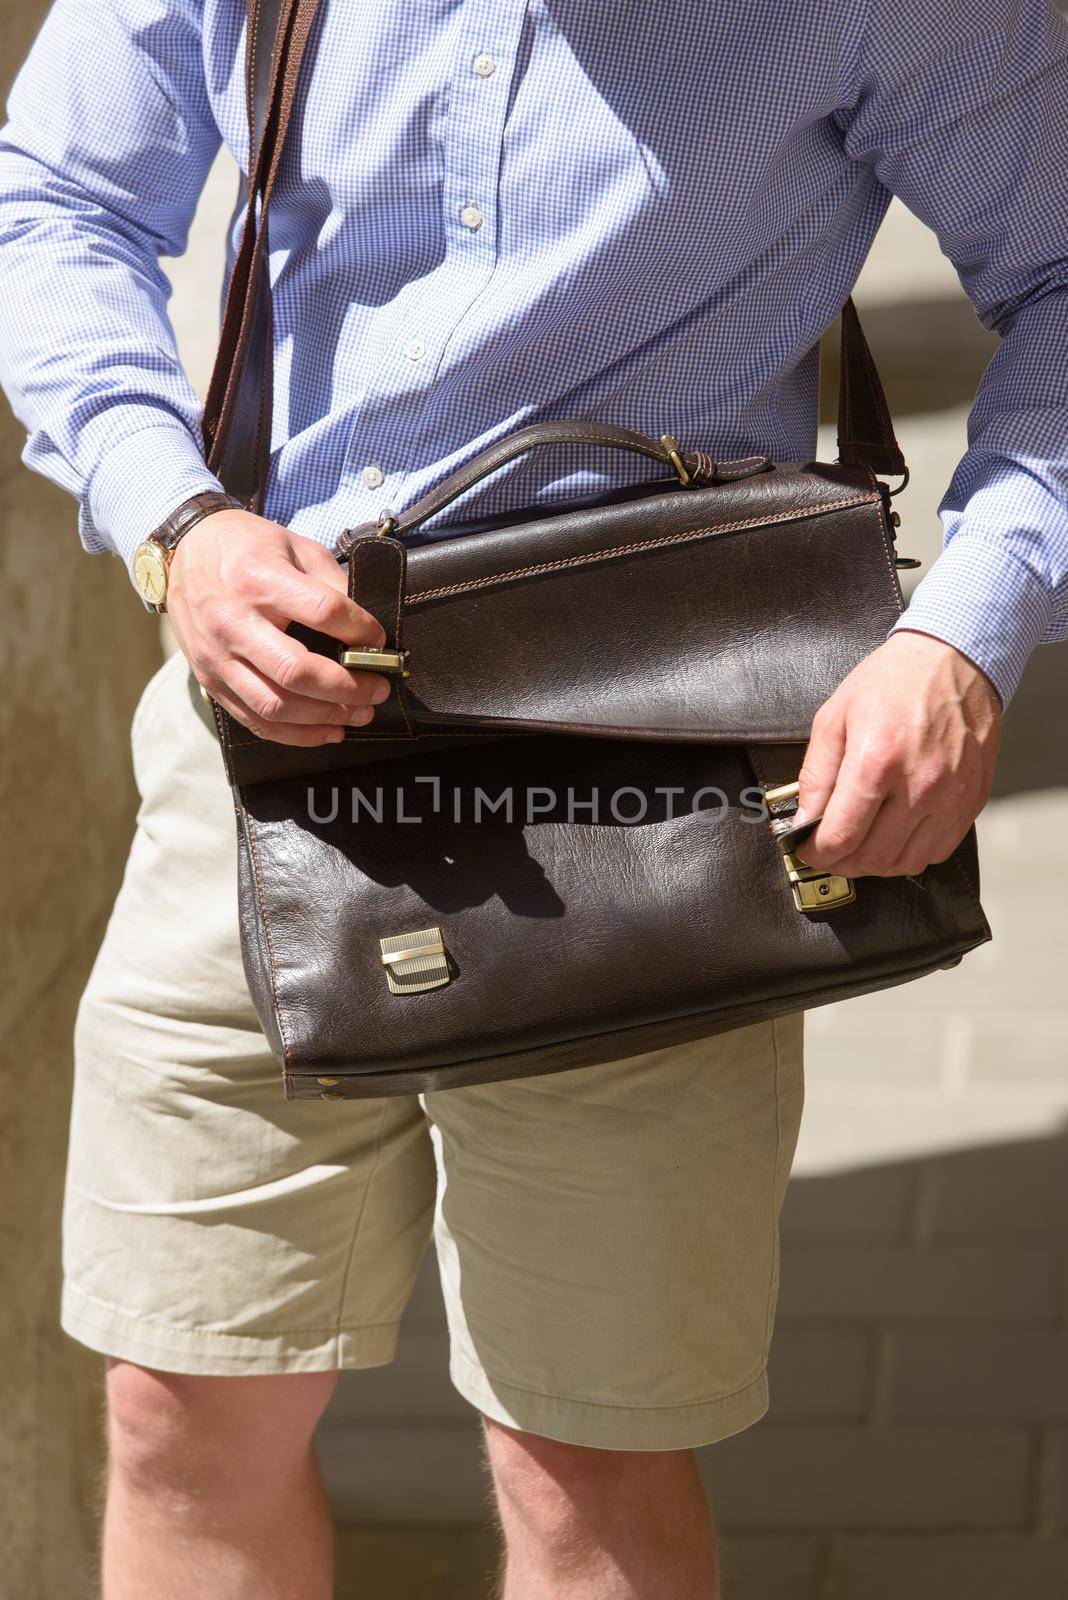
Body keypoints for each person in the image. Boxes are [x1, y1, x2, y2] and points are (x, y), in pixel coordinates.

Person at [1, 0, 1065, 1595]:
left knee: (584, 1456)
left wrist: (962, 636)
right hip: (263, 751)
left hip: (654, 769)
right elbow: (58, 201)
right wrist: (176, 518)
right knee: (179, 1395)